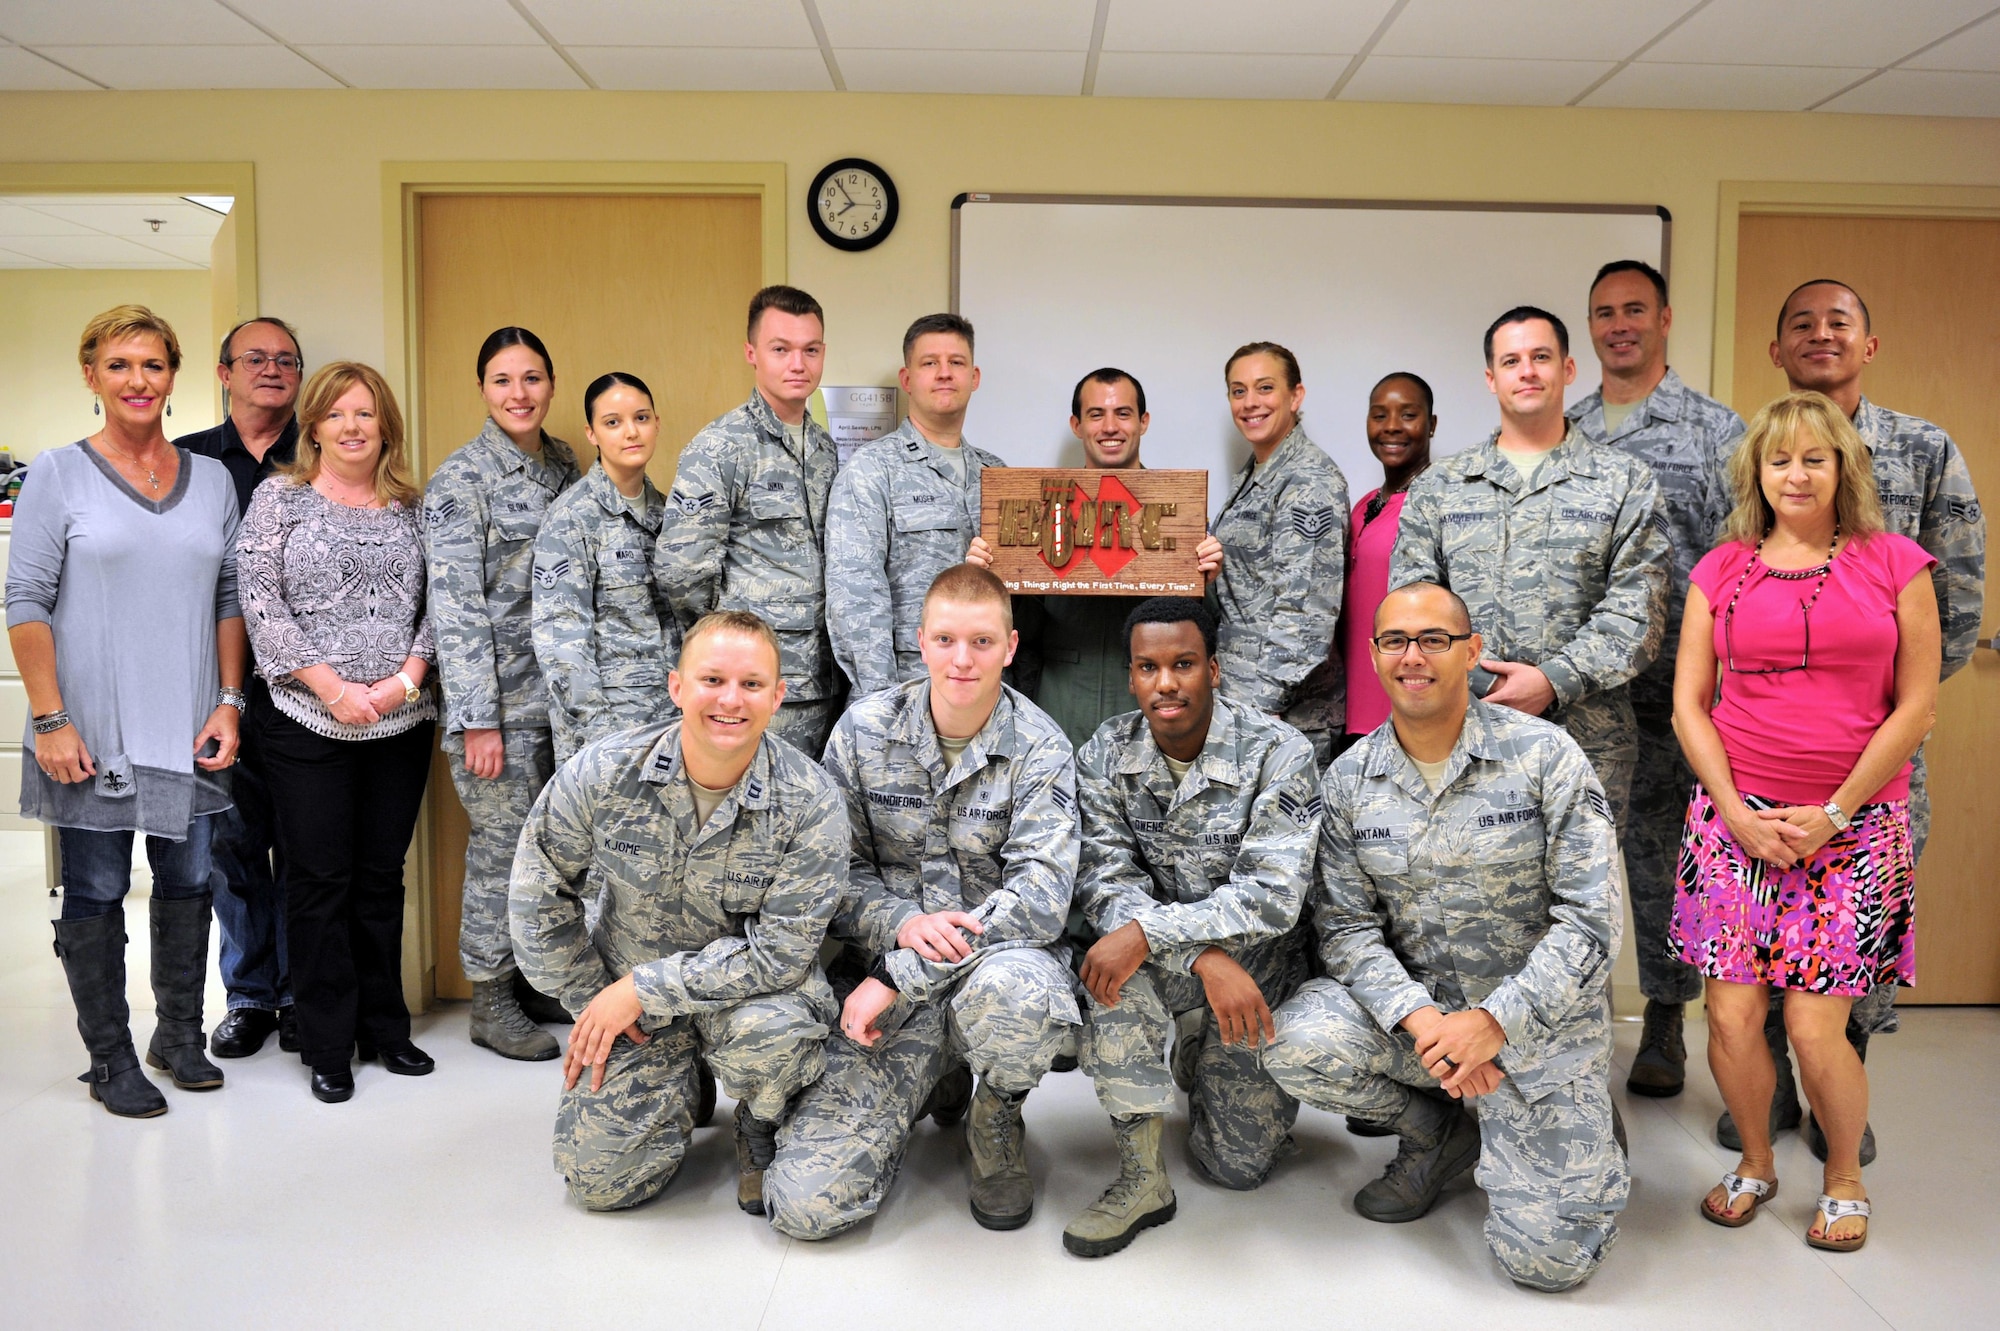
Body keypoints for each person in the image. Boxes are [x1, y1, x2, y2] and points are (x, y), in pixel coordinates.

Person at [1265, 581, 1630, 1293]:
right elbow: (1345, 930)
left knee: (1548, 1264)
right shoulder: (1348, 782)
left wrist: (1493, 1023)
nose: (1414, 656)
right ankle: (1444, 1131)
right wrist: (1428, 1022)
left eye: (1434, 639)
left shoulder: (1545, 756)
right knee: (1296, 1040)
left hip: (1535, 1035)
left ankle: (1569, 1114)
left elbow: (1591, 921)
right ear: (1372, 656)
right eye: (1396, 640)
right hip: (1425, 1028)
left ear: (1473, 651)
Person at [1718, 278, 1988, 1165]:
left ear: (1869, 344)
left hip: (1874, 755)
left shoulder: (1922, 446)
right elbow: (1725, 590)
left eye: (1840, 323)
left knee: (1844, 956)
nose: (1822, 335)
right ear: (1777, 349)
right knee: (1754, 949)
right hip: (1759, 759)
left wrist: (1880, 708)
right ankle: (1769, 1096)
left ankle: (1842, 1103)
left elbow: (1957, 592)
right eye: (1802, 323)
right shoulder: (1749, 446)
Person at [1672, 391, 1937, 1253]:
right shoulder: (1720, 570)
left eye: (1814, 457)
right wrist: (1739, 816)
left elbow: (1917, 705)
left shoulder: (1897, 563)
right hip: (1732, 826)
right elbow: (1689, 705)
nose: (1795, 472)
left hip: (1854, 830)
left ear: (1843, 467)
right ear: (1757, 469)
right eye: (1779, 458)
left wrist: (1831, 813)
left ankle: (1844, 1177)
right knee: (1732, 1017)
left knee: (1814, 1026)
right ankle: (1755, 1159)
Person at [764, 565, 1080, 1239]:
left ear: (1011, 647)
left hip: (985, 981)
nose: (962, 659)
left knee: (1019, 995)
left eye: (982, 641)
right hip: (891, 1004)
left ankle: (994, 1114)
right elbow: (828, 872)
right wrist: (900, 923)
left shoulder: (1042, 746)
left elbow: (1042, 897)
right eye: (945, 639)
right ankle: (934, 1078)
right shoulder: (863, 730)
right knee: (805, 1206)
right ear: (921, 642)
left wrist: (897, 972)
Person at [509, 611, 846, 1213]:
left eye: (751, 684)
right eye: (712, 680)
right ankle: (681, 1082)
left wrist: (645, 987)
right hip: (629, 1003)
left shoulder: (810, 801)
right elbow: (537, 895)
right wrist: (594, 998)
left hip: (746, 1001)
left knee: (774, 1035)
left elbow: (781, 955)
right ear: (677, 687)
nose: (730, 700)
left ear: (778, 697)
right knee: (598, 1182)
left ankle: (757, 1120)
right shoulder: (606, 772)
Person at [7, 304, 245, 1118]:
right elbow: (26, 602)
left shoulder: (211, 480)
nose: (138, 380)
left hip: (186, 724)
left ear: (174, 376)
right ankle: (109, 1056)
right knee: (98, 889)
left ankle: (179, 1034)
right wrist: (49, 719)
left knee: (187, 882)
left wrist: (229, 701)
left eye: (153, 364)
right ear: (92, 376)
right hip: (93, 729)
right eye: (119, 365)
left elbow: (228, 598)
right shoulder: (57, 473)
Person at [1065, 597, 1321, 1257]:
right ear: (1131, 677)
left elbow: (1271, 895)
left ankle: (1198, 1051)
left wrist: (1158, 935)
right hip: (1183, 969)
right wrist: (1199, 954)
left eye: (1183, 664)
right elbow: (1103, 879)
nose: (1166, 682)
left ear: (1213, 668)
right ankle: (1142, 1176)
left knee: (1235, 1165)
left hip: (1257, 973)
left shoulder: (1279, 752)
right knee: (1108, 971)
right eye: (1148, 667)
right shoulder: (1105, 753)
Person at [1567, 260, 1747, 1100]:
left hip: (1680, 695)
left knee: (1667, 864)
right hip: (1577, 695)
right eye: (1604, 313)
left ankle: (1668, 1019)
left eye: (1634, 309)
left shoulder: (1718, 432)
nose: (1619, 325)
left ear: (1665, 318)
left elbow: (1740, 564)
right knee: (1575, 865)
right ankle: (1572, 1029)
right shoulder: (1561, 430)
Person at [237, 362, 438, 1104]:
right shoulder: (277, 502)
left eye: (367, 413)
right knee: (318, 882)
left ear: (385, 424)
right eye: (337, 413)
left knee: (383, 881)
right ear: (313, 425)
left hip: (400, 719)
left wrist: (400, 685)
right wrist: (335, 689)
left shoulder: (413, 510)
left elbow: (437, 610)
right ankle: (327, 1042)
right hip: (304, 720)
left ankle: (387, 1027)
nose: (353, 426)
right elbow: (261, 604)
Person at [1391, 306, 1669, 841]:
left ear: (1567, 369)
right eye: (1512, 361)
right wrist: (1483, 684)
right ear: (1491, 378)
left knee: (1582, 909)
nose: (1528, 371)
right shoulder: (1441, 485)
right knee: (1469, 905)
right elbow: (1413, 606)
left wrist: (1550, 681)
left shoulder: (1625, 482)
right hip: (1464, 734)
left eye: (1541, 357)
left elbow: (1638, 614)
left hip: (1589, 743)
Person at [425, 326, 580, 1062]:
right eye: (502, 380)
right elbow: (454, 612)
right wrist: (477, 720)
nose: (519, 394)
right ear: (482, 389)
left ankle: (530, 976)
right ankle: (489, 995)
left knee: (552, 850)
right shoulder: (461, 481)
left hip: (561, 700)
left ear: (551, 384)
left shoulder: (564, 464)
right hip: (499, 709)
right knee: (501, 850)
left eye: (532, 378)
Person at [966, 367, 1222, 751]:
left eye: (1123, 413)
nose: (1110, 427)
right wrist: (994, 580)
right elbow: (1026, 629)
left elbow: (1205, 629)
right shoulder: (1047, 509)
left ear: (1143, 422)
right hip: (1063, 696)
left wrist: (1208, 581)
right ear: (1076, 424)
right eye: (1096, 414)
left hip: (1148, 696)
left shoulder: (1178, 510)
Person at [176, 315, 308, 1060]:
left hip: (302, 693)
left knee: (302, 847)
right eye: (255, 358)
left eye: (286, 359)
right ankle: (249, 993)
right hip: (211, 692)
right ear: (223, 372)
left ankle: (296, 992)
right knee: (230, 847)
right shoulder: (188, 461)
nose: (272, 368)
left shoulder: (320, 454)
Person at [654, 285, 842, 757]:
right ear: (752, 353)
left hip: (824, 679)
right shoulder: (721, 446)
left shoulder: (825, 449)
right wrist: (733, 636)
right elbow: (681, 571)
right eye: (781, 349)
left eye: (810, 350)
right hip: (751, 688)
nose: (797, 363)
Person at [827, 313, 1005, 698]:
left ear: (974, 377)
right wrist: (885, 705)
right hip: (907, 688)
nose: (944, 373)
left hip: (984, 693)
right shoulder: (872, 470)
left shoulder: (999, 476)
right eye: (930, 363)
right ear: (907, 380)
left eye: (956, 363)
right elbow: (855, 602)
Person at [1209, 342, 1350, 768]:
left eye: (1265, 388)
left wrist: (1263, 705)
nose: (1250, 403)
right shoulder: (1256, 473)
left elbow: (1306, 610)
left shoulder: (1308, 482)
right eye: (1238, 391)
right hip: (1245, 700)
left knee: (1288, 834)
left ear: (1296, 395)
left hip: (1286, 714)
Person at [531, 372, 680, 765]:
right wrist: (602, 740)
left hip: (674, 726)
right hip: (605, 735)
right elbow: (561, 645)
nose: (630, 432)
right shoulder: (571, 518)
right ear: (592, 433)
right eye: (613, 422)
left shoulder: (671, 514)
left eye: (642, 418)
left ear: (657, 423)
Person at [1341, 371, 1438, 746]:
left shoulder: (1437, 505)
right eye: (1379, 415)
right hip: (1350, 707)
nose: (1392, 427)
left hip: (1406, 707)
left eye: (1408, 415)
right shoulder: (1364, 505)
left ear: (1431, 425)